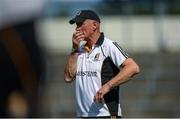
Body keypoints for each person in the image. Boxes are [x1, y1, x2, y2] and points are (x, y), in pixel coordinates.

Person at [64, 9, 140, 118]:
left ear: (94, 25)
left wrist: (108, 86)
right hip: (82, 115)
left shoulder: (109, 46)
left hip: (106, 115)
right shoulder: (78, 50)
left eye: (81, 24)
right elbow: (68, 77)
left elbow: (133, 68)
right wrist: (74, 49)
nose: (77, 28)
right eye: (76, 25)